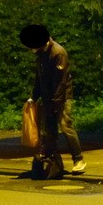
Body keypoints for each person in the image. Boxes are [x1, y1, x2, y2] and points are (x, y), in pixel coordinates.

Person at [19, 24, 85, 176]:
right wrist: (34, 96)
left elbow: (61, 81)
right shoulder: (41, 52)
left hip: (61, 97)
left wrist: (55, 102)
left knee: (65, 126)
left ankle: (78, 160)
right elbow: (39, 77)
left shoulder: (58, 53)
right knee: (49, 131)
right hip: (48, 96)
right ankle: (52, 162)